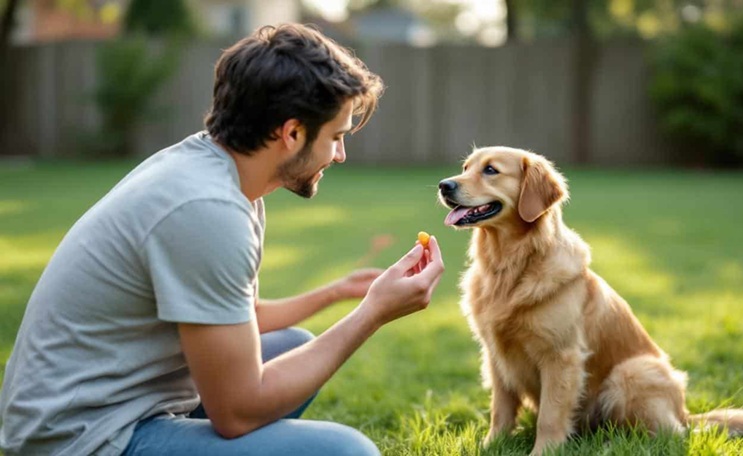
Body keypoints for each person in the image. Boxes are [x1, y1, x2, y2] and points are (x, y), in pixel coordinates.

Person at [0, 23, 445, 456]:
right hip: (80, 438)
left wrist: (338, 293)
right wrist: (372, 313)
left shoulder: (221, 173)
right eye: (336, 137)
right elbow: (237, 411)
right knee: (346, 451)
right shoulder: (205, 209)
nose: (341, 155)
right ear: (291, 134)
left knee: (291, 343)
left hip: (126, 401)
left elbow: (237, 316)